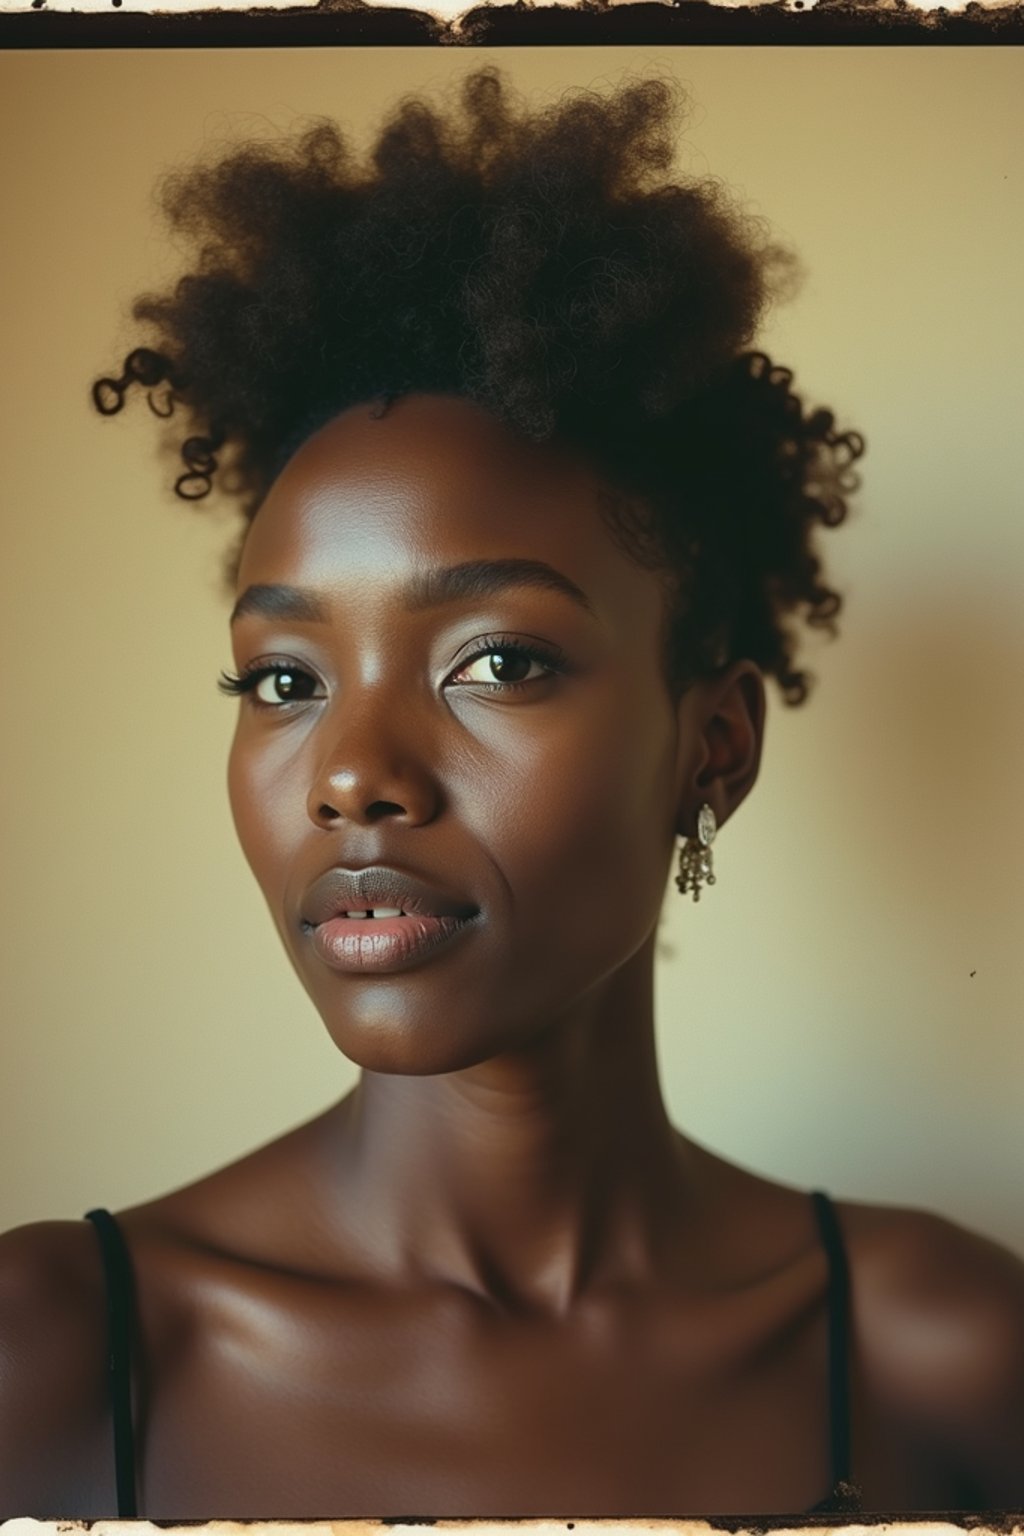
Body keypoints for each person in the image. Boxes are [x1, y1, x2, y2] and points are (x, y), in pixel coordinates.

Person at [1, 67, 1021, 1519]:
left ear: (713, 746)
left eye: (497, 660)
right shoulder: (51, 1354)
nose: (351, 773)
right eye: (283, 680)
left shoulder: (944, 1355)